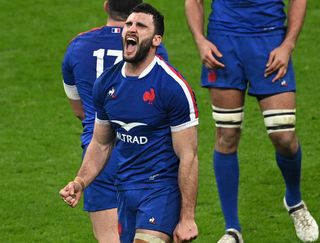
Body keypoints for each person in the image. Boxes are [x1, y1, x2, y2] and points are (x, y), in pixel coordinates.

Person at [60, 3, 199, 243]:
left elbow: (189, 155)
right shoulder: (106, 83)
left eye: (141, 26)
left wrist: (187, 217)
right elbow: (101, 143)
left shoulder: (172, 87)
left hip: (159, 189)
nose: (132, 29)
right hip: (125, 189)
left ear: (156, 40)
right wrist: (80, 181)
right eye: (129, 24)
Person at [184, 0, 318, 242]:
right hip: (224, 42)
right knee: (227, 134)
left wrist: (288, 45)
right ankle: (232, 229)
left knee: (284, 136)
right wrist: (200, 40)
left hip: (270, 40)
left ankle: (294, 200)